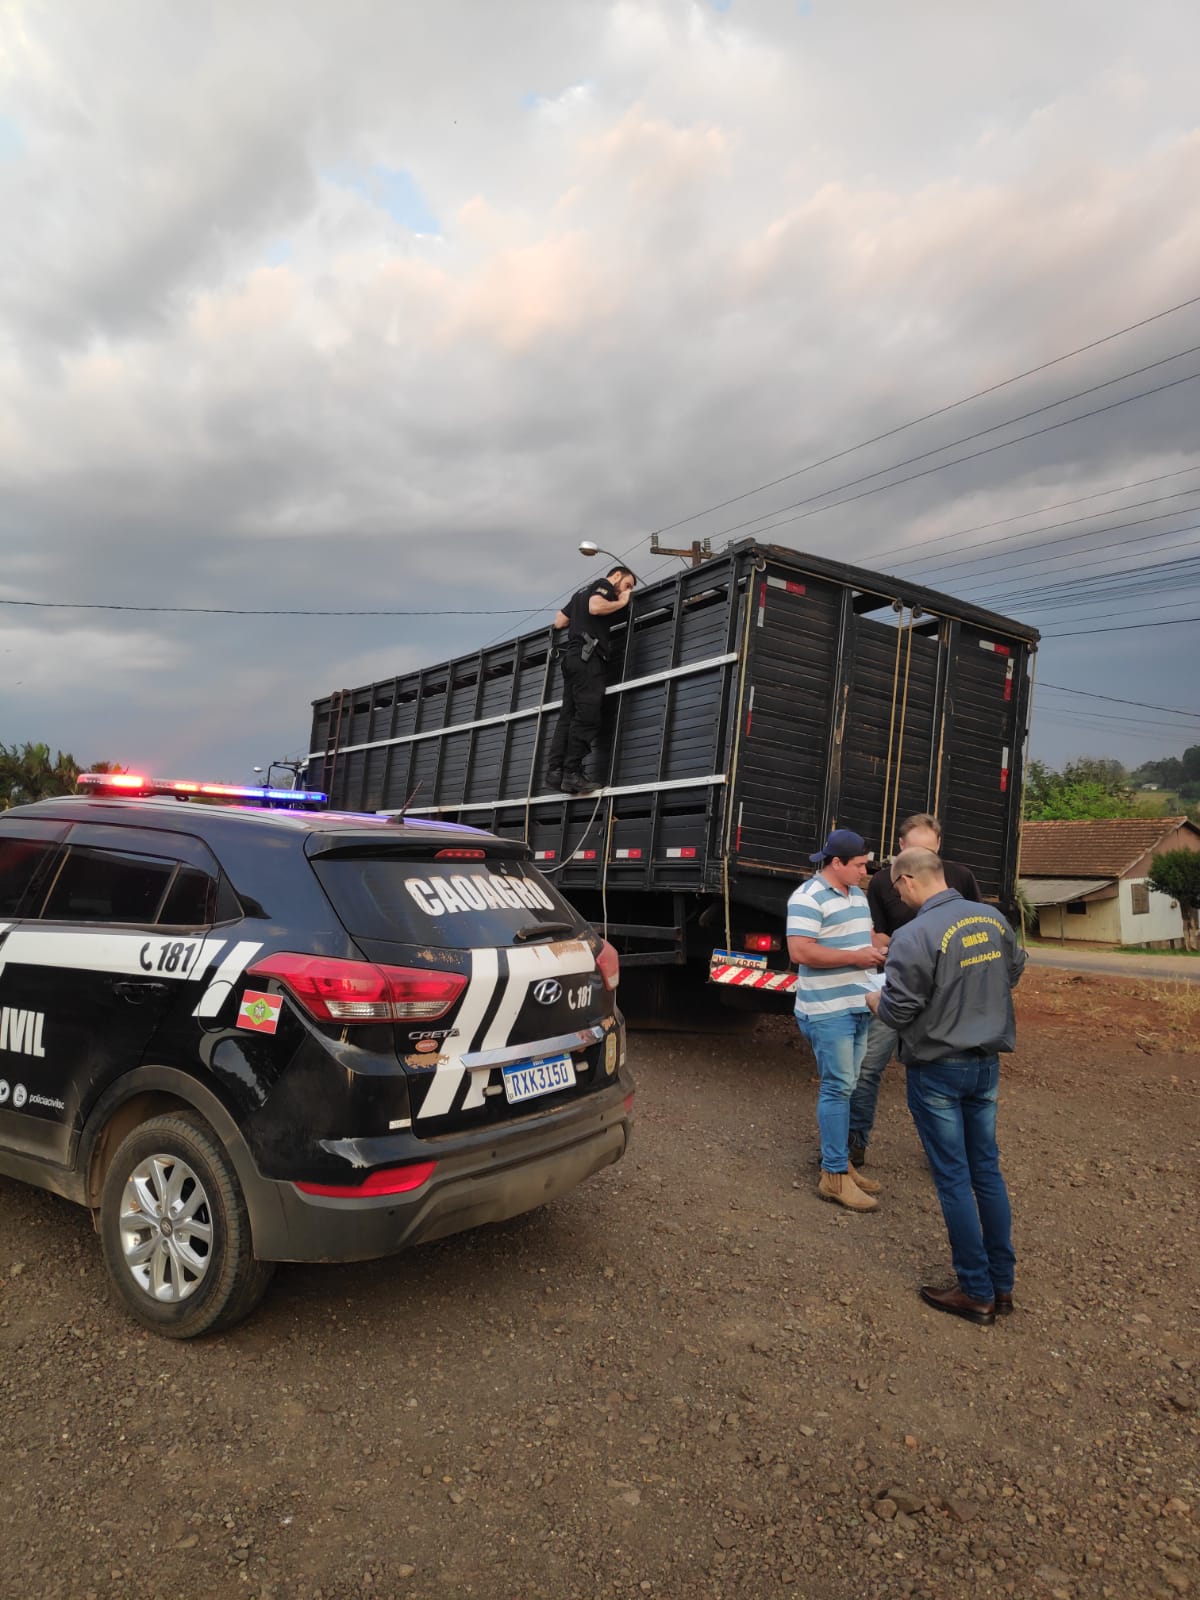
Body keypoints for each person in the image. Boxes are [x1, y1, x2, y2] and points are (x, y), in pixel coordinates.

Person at [866, 847, 1025, 1326]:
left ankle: (974, 1291)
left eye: (897, 888)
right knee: (987, 1172)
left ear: (910, 880)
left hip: (937, 1068)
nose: (899, 897)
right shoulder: (993, 918)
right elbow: (1013, 970)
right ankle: (1002, 1286)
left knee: (953, 1177)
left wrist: (875, 999)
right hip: (986, 1066)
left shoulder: (914, 934)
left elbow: (898, 1011)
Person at [849, 814, 981, 1166]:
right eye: (915, 848)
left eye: (929, 848)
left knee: (944, 1075)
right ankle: (853, 1146)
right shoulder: (881, 881)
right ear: (901, 847)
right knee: (867, 1068)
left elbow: (975, 931)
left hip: (948, 999)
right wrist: (897, 945)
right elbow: (874, 933)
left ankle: (947, 1154)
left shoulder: (961, 878)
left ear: (938, 847)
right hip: (895, 985)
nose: (922, 855)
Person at [786, 828, 887, 1211]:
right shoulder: (808, 897)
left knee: (847, 1086)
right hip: (827, 1011)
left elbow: (864, 937)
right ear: (837, 863)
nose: (864, 872)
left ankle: (841, 1163)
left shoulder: (857, 895)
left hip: (858, 1004)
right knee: (837, 1087)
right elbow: (800, 951)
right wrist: (856, 958)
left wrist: (885, 943)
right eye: (860, 865)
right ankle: (833, 1176)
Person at [544, 565, 637, 795]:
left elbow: (559, 621)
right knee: (587, 716)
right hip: (588, 658)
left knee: (568, 716)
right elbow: (595, 607)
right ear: (616, 576)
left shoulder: (579, 593)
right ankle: (573, 774)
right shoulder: (603, 586)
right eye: (627, 585)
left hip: (572, 658)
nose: (628, 590)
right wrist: (622, 603)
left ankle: (556, 773)